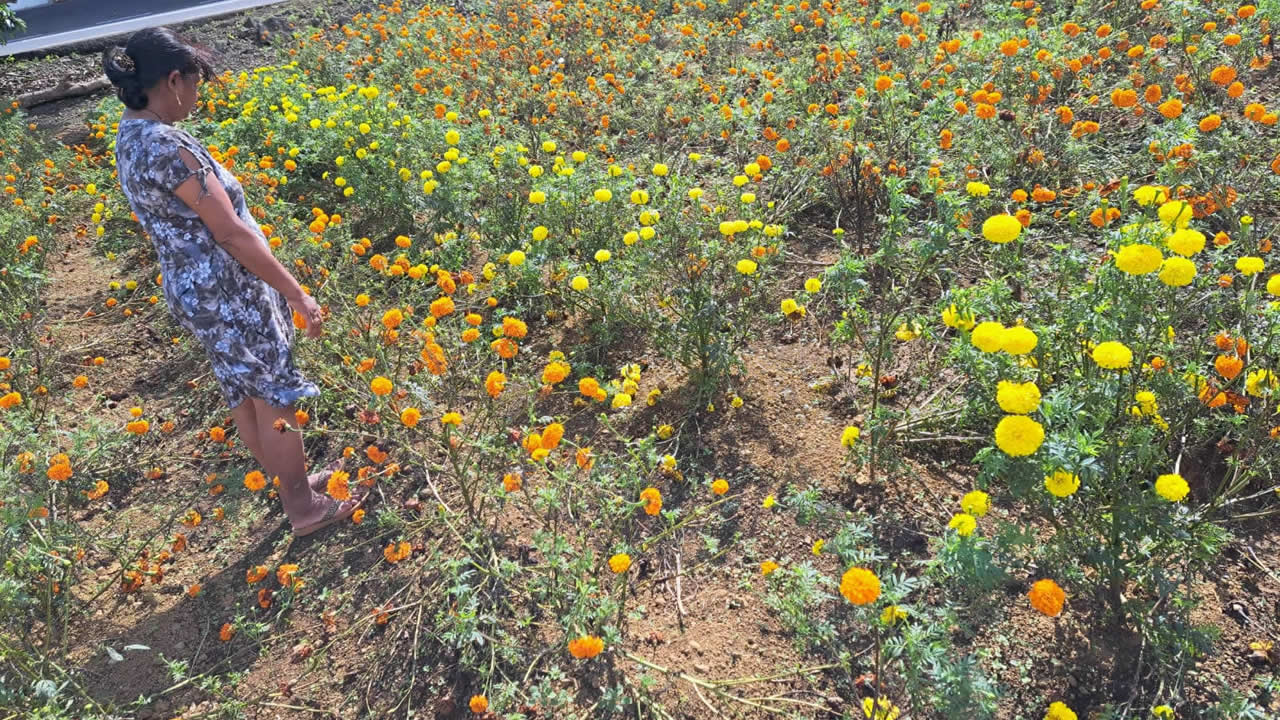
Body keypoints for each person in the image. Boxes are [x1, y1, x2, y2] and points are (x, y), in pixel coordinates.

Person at [103, 27, 361, 536]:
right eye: (195, 83)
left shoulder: (130, 135)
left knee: (243, 391)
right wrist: (295, 292)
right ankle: (304, 508)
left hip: (192, 287)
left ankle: (295, 486)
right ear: (173, 80)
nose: (197, 97)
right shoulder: (168, 147)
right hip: (230, 286)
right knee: (274, 393)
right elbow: (231, 233)